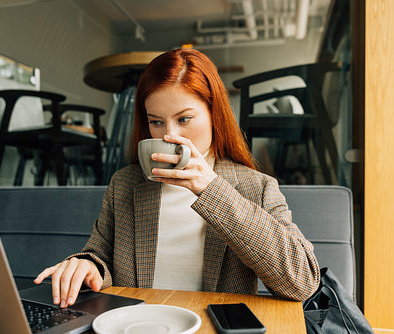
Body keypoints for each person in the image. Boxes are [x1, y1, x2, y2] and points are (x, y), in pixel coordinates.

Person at [35, 48, 320, 308]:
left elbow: (302, 283)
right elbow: (100, 256)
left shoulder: (255, 187)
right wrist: (87, 266)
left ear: (214, 114)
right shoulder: (125, 184)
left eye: (184, 119)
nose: (169, 135)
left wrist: (212, 189)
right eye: (156, 122)